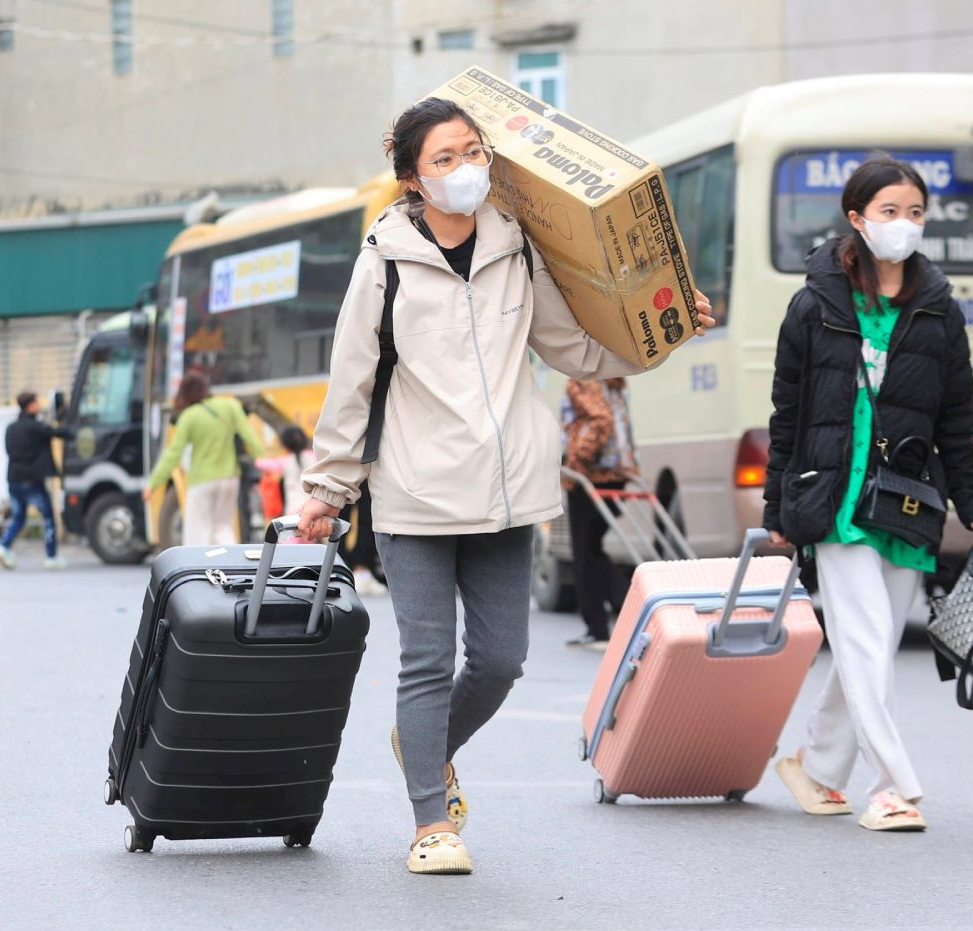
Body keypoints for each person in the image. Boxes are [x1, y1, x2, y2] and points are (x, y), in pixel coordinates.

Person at [297, 97, 714, 874]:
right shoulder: (384, 261)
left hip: (509, 489)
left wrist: (667, 328)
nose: (464, 170)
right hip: (417, 494)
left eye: (472, 152)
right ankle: (431, 821)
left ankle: (425, 744)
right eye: (444, 160)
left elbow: (574, 350)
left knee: (500, 660)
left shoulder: (517, 248)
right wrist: (328, 490)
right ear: (413, 180)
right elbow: (351, 381)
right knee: (426, 659)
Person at [762, 153, 973, 833]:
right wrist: (779, 508)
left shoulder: (938, 312)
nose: (903, 225)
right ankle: (895, 784)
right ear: (857, 218)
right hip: (834, 499)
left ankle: (815, 767)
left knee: (872, 645)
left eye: (915, 213)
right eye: (890, 212)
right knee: (865, 642)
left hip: (908, 498)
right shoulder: (814, 305)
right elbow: (790, 414)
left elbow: (957, 418)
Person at [142, 371, 265, 546]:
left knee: (197, 530)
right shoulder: (230, 406)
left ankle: (197, 569)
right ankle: (230, 567)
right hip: (230, 479)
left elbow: (173, 454)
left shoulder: (189, 416)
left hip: (202, 481)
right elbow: (249, 437)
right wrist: (264, 462)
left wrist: (152, 484)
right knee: (223, 527)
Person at [561, 377, 638, 648]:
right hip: (617, 469)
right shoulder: (614, 377)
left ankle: (600, 623)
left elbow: (599, 419)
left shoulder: (582, 377)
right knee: (594, 548)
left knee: (584, 551)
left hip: (589, 473)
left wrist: (577, 456)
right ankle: (624, 605)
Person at [0, 391, 70, 570]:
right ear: (30, 406)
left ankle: (3, 546)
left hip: (13, 480)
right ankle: (51, 557)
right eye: (36, 402)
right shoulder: (34, 427)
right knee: (49, 516)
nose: (39, 405)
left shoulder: (11, 428)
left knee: (19, 517)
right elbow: (59, 432)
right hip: (31, 481)